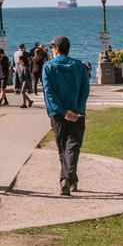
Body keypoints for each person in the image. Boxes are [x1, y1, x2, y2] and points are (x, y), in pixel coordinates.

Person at [41, 36, 89, 196]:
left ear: (55, 48)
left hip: (57, 114)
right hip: (77, 113)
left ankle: (65, 179)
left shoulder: (48, 67)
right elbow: (85, 90)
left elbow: (49, 92)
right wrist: (78, 109)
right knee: (72, 146)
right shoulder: (79, 66)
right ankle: (71, 179)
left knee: (63, 147)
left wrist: (63, 110)